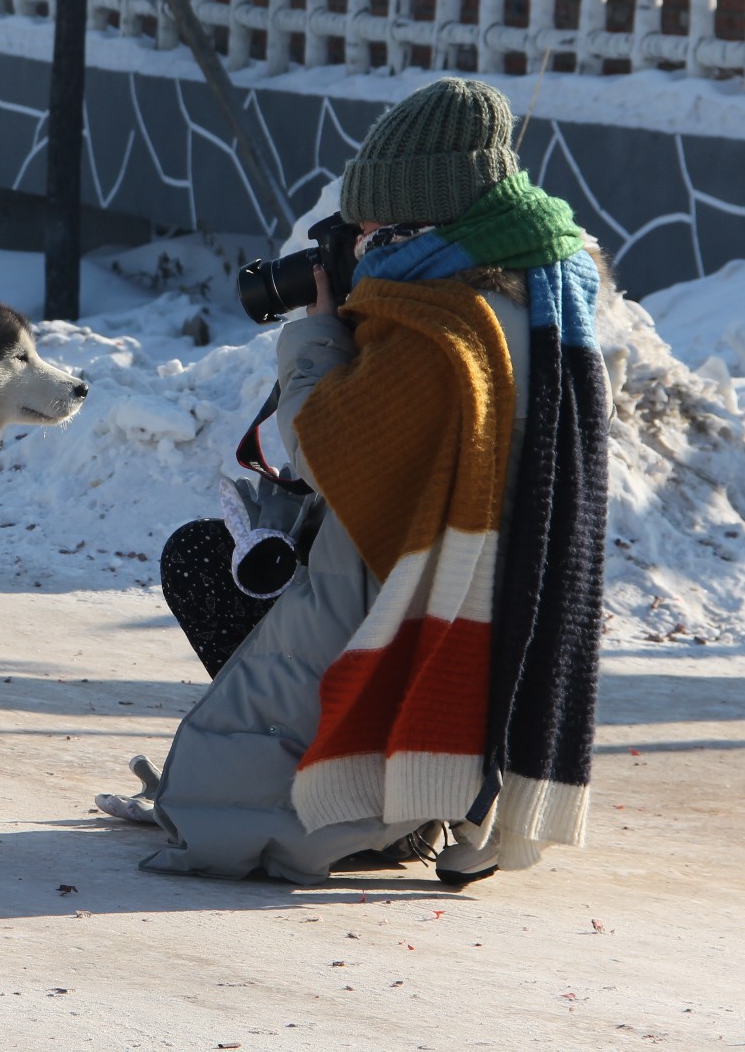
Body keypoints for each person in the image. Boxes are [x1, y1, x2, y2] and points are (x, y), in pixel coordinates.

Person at [105, 77, 612, 888]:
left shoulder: (441, 323)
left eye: (372, 229)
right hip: (504, 636)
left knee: (206, 574)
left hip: (401, 615)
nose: (364, 246)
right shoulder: (548, 292)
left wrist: (318, 334)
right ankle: (413, 802)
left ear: (422, 217)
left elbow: (321, 449)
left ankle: (371, 808)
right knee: (216, 563)